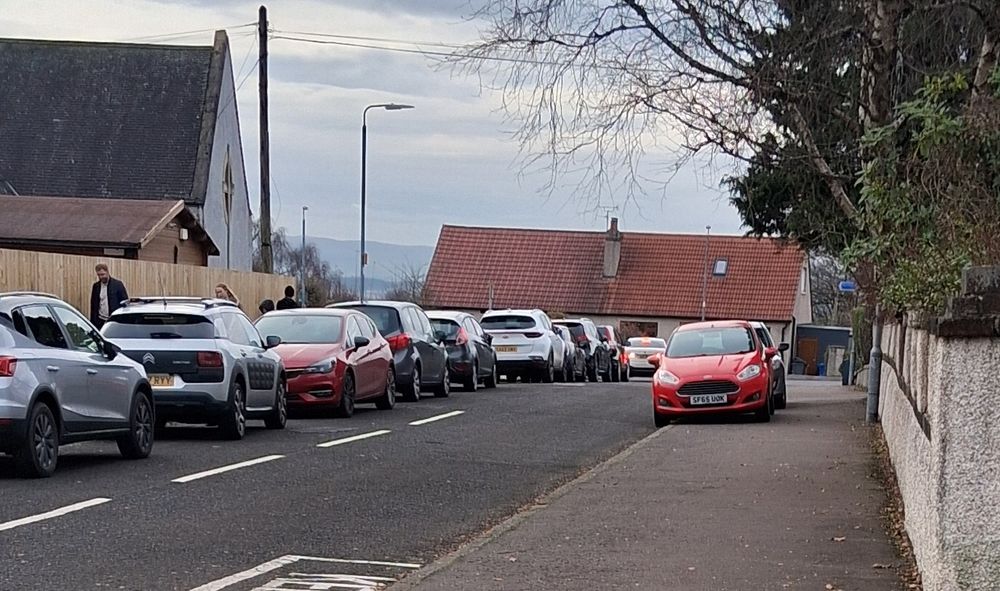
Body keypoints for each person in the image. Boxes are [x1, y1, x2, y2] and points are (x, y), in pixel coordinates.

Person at [90, 263, 129, 329]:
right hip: (100, 320)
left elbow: (125, 302)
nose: (101, 277)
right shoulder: (96, 286)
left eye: (102, 274)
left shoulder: (118, 285)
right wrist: (93, 322)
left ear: (107, 272)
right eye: (98, 275)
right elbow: (93, 305)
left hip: (114, 320)